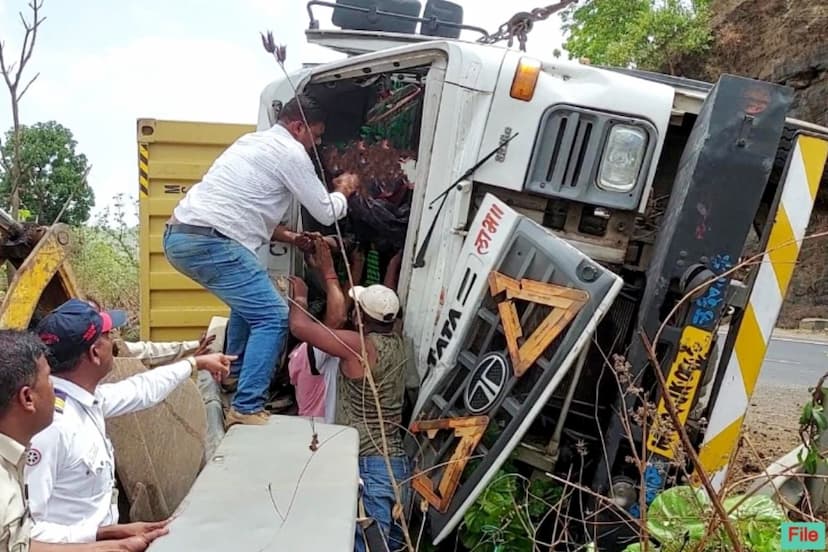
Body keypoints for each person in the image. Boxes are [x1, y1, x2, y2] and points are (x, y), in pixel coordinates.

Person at [163, 94, 359, 427]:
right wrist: (345, 190)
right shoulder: (291, 153)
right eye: (317, 134)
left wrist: (295, 239)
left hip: (180, 236)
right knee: (273, 316)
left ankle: (234, 375)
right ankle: (247, 406)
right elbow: (326, 212)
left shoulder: (251, 142)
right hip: (212, 241)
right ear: (298, 127)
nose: (319, 143)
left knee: (248, 303)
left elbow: (247, 213)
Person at [25, 299, 233, 544]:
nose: (114, 342)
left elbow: (141, 389)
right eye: (108, 335)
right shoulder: (51, 428)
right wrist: (100, 536)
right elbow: (23, 532)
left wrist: (194, 363)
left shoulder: (85, 401)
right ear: (94, 353)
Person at [0, 329, 166, 552]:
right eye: (49, 379)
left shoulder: (13, 457)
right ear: (28, 398)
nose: (55, 387)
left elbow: (19, 543)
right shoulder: (6, 482)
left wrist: (108, 538)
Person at [289, 277, 410, 551]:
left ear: (360, 317)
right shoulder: (403, 344)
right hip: (398, 466)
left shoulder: (360, 346)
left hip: (369, 466)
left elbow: (299, 327)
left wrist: (300, 297)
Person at [287, 237, 346, 423]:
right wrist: (329, 272)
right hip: (320, 429)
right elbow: (338, 318)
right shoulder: (311, 351)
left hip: (309, 424)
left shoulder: (297, 353)